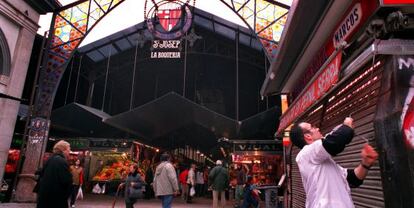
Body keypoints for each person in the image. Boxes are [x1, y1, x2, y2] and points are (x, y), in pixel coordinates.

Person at [290, 117, 379, 208]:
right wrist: (347, 126)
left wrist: (365, 164)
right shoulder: (305, 154)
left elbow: (353, 179)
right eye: (313, 127)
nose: (317, 129)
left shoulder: (325, 163)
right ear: (307, 136)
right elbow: (334, 143)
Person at [36, 140, 73, 208]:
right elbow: (66, 181)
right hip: (56, 198)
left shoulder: (50, 159)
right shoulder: (62, 161)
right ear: (63, 150)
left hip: (45, 197)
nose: (69, 152)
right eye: (68, 149)